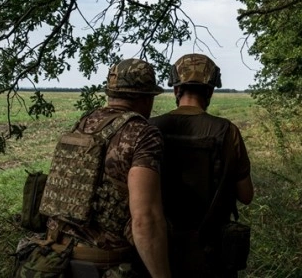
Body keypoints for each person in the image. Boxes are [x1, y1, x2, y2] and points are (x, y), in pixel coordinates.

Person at [38, 58, 171, 278]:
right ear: (146, 97)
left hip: (54, 255)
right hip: (101, 264)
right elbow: (145, 220)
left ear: (110, 93)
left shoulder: (85, 122)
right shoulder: (143, 134)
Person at [149, 54, 254, 278]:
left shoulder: (149, 128)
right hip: (211, 253)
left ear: (176, 90)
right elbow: (246, 195)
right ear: (210, 91)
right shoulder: (227, 131)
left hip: (159, 250)